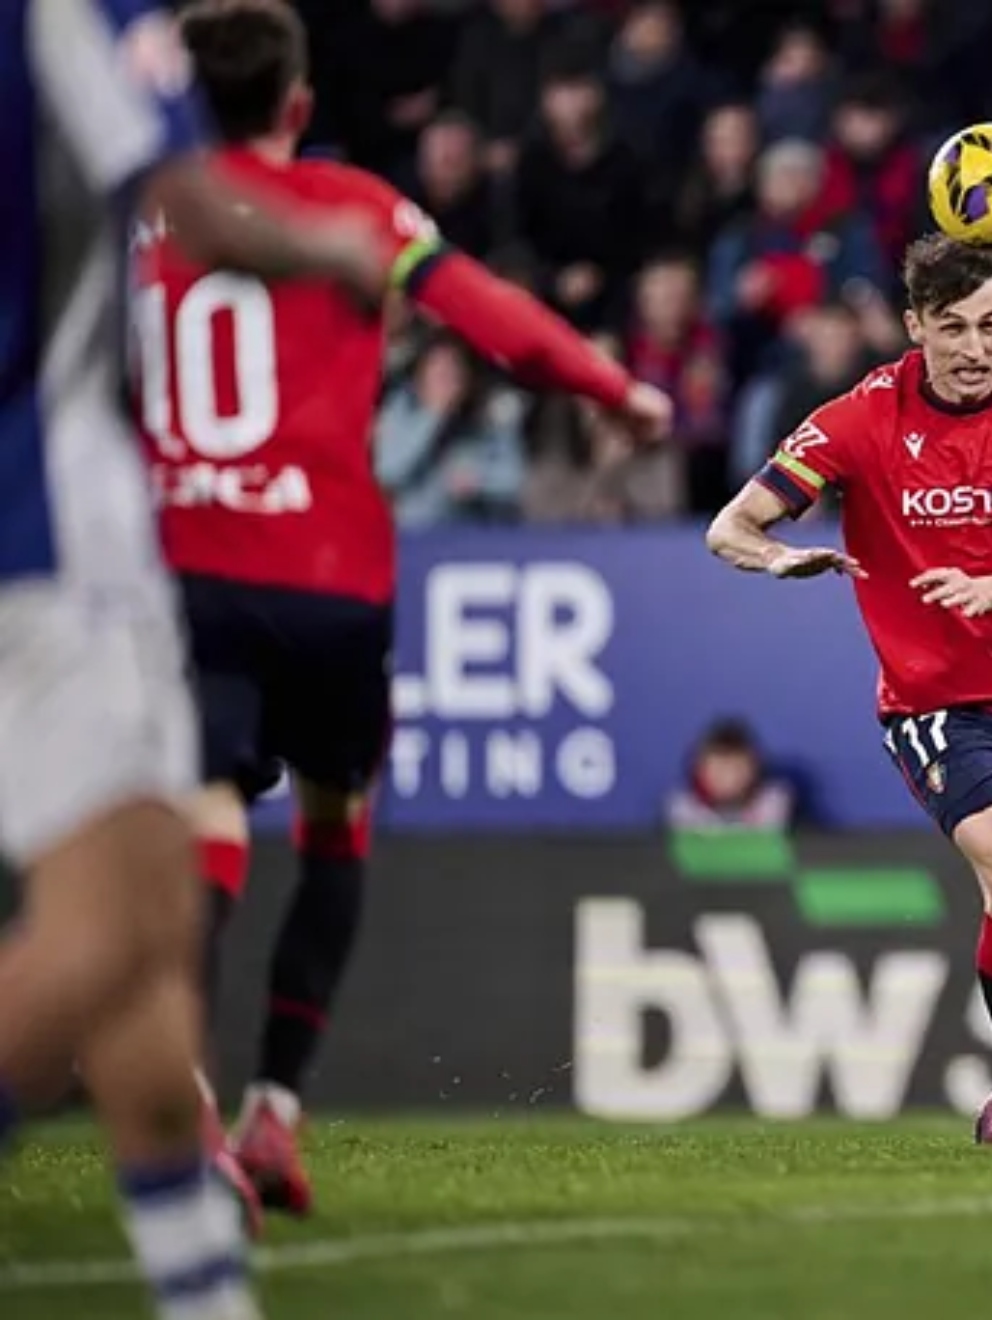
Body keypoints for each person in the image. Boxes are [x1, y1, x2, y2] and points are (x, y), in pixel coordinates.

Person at [137, 0, 670, 1225]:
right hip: (331, 582)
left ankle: (198, 1108)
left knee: (205, 827)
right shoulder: (360, 213)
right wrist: (611, 387)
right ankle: (277, 1108)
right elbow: (487, 314)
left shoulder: (133, 214)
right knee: (336, 827)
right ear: (301, 106)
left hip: (190, 569)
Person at [1, 2, 394, 1316]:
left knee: (160, 923)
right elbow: (202, 204)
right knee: (113, 930)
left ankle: (201, 1289)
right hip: (47, 532)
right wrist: (336, 240)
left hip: (97, 535)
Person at [707, 236, 992, 1148]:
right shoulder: (860, 420)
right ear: (914, 326)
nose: (975, 349)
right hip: (935, 703)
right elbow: (729, 526)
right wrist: (779, 557)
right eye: (954, 328)